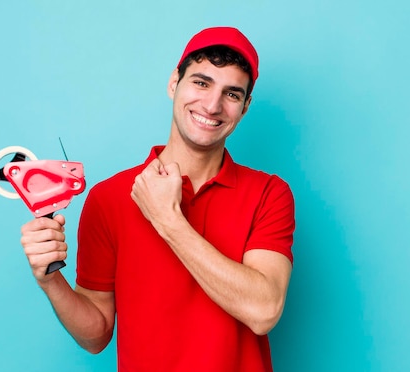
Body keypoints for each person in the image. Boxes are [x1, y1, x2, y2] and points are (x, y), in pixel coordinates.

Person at [20, 26, 295, 372]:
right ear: (173, 83)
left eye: (232, 94)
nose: (212, 105)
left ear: (245, 107)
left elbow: (263, 311)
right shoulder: (109, 198)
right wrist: (50, 281)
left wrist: (168, 220)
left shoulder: (269, 193)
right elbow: (96, 336)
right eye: (201, 82)